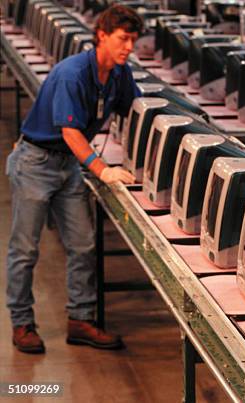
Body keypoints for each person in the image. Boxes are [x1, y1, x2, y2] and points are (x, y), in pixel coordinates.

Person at [5, 5, 143, 354]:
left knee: (83, 244)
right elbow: (70, 132)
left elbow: (137, 110)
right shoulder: (73, 74)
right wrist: (102, 169)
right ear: (102, 35)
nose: (129, 47)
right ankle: (22, 324)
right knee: (25, 250)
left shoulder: (118, 74)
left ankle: (80, 319)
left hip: (68, 166)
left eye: (133, 41)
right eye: (123, 39)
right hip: (36, 162)